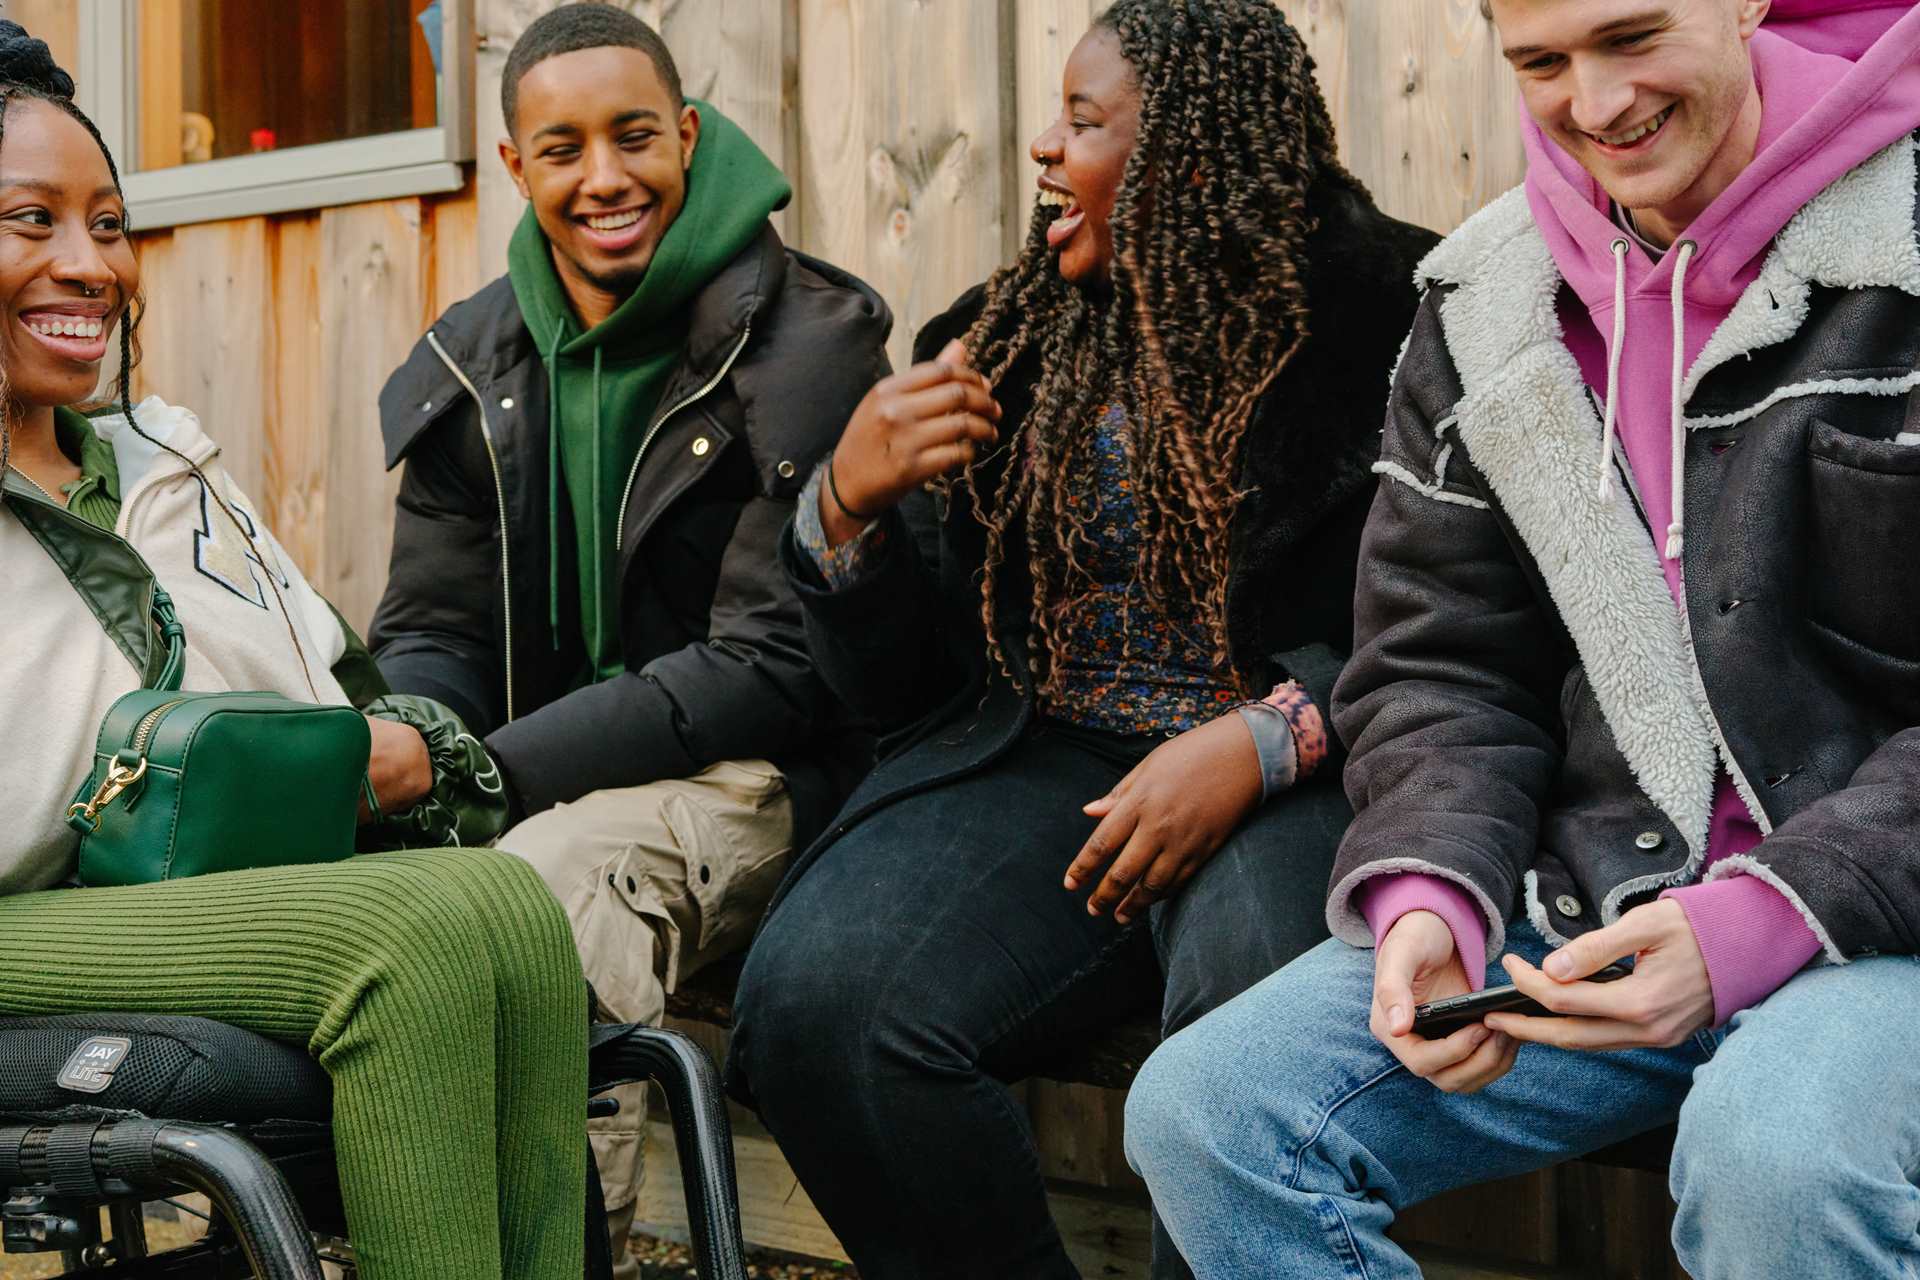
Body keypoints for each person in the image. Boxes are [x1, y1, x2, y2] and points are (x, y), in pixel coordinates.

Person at [1123, 0, 1920, 1275]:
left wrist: (1757, 923)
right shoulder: (1489, 300)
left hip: (1894, 925)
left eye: (1632, 37)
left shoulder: (1908, 231)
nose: (1596, 106)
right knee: (1214, 1112)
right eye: (1542, 62)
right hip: (1601, 908)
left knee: (1779, 1155)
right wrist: (1430, 885)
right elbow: (1440, 657)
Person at [724, 1, 1437, 1275]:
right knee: (817, 1006)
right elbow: (907, 692)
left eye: (1086, 120)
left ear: (1195, 160)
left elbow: (1465, 618)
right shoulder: (1000, 342)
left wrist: (1269, 734)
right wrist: (844, 511)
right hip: (1047, 757)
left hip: (1307, 766)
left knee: (1251, 1031)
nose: (1044, 146)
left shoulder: (1400, 321)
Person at [0, 24, 587, 1280]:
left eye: (106, 223)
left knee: (510, 907)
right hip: (21, 909)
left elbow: (340, 700)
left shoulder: (163, 465)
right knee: (411, 940)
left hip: (188, 888)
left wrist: (367, 755)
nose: (87, 264)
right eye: (28, 220)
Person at [368, 4, 890, 1264]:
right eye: (563, 149)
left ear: (689, 135)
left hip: (767, 770)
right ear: (515, 168)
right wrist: (410, 731)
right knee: (360, 879)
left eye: (635, 137)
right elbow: (435, 621)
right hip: (532, 769)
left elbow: (771, 667)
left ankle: (560, 1244)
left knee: (543, 893)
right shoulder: (471, 358)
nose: (604, 178)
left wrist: (476, 769)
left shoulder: (810, 345)